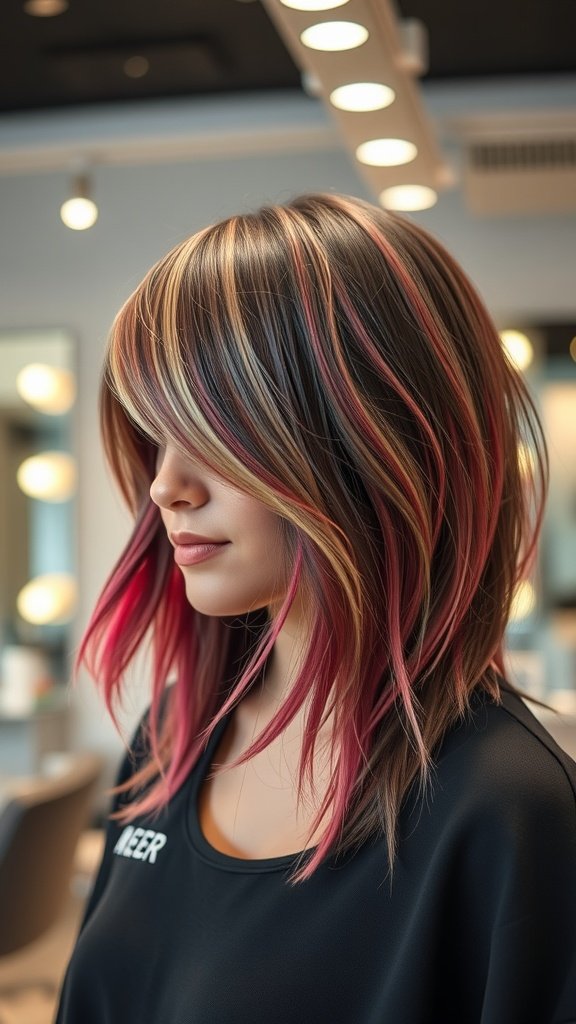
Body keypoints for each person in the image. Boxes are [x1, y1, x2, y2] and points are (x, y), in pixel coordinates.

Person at [55, 193, 576, 1024]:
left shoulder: (510, 814)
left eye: (215, 430)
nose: (165, 486)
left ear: (371, 437)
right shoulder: (170, 740)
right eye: (161, 434)